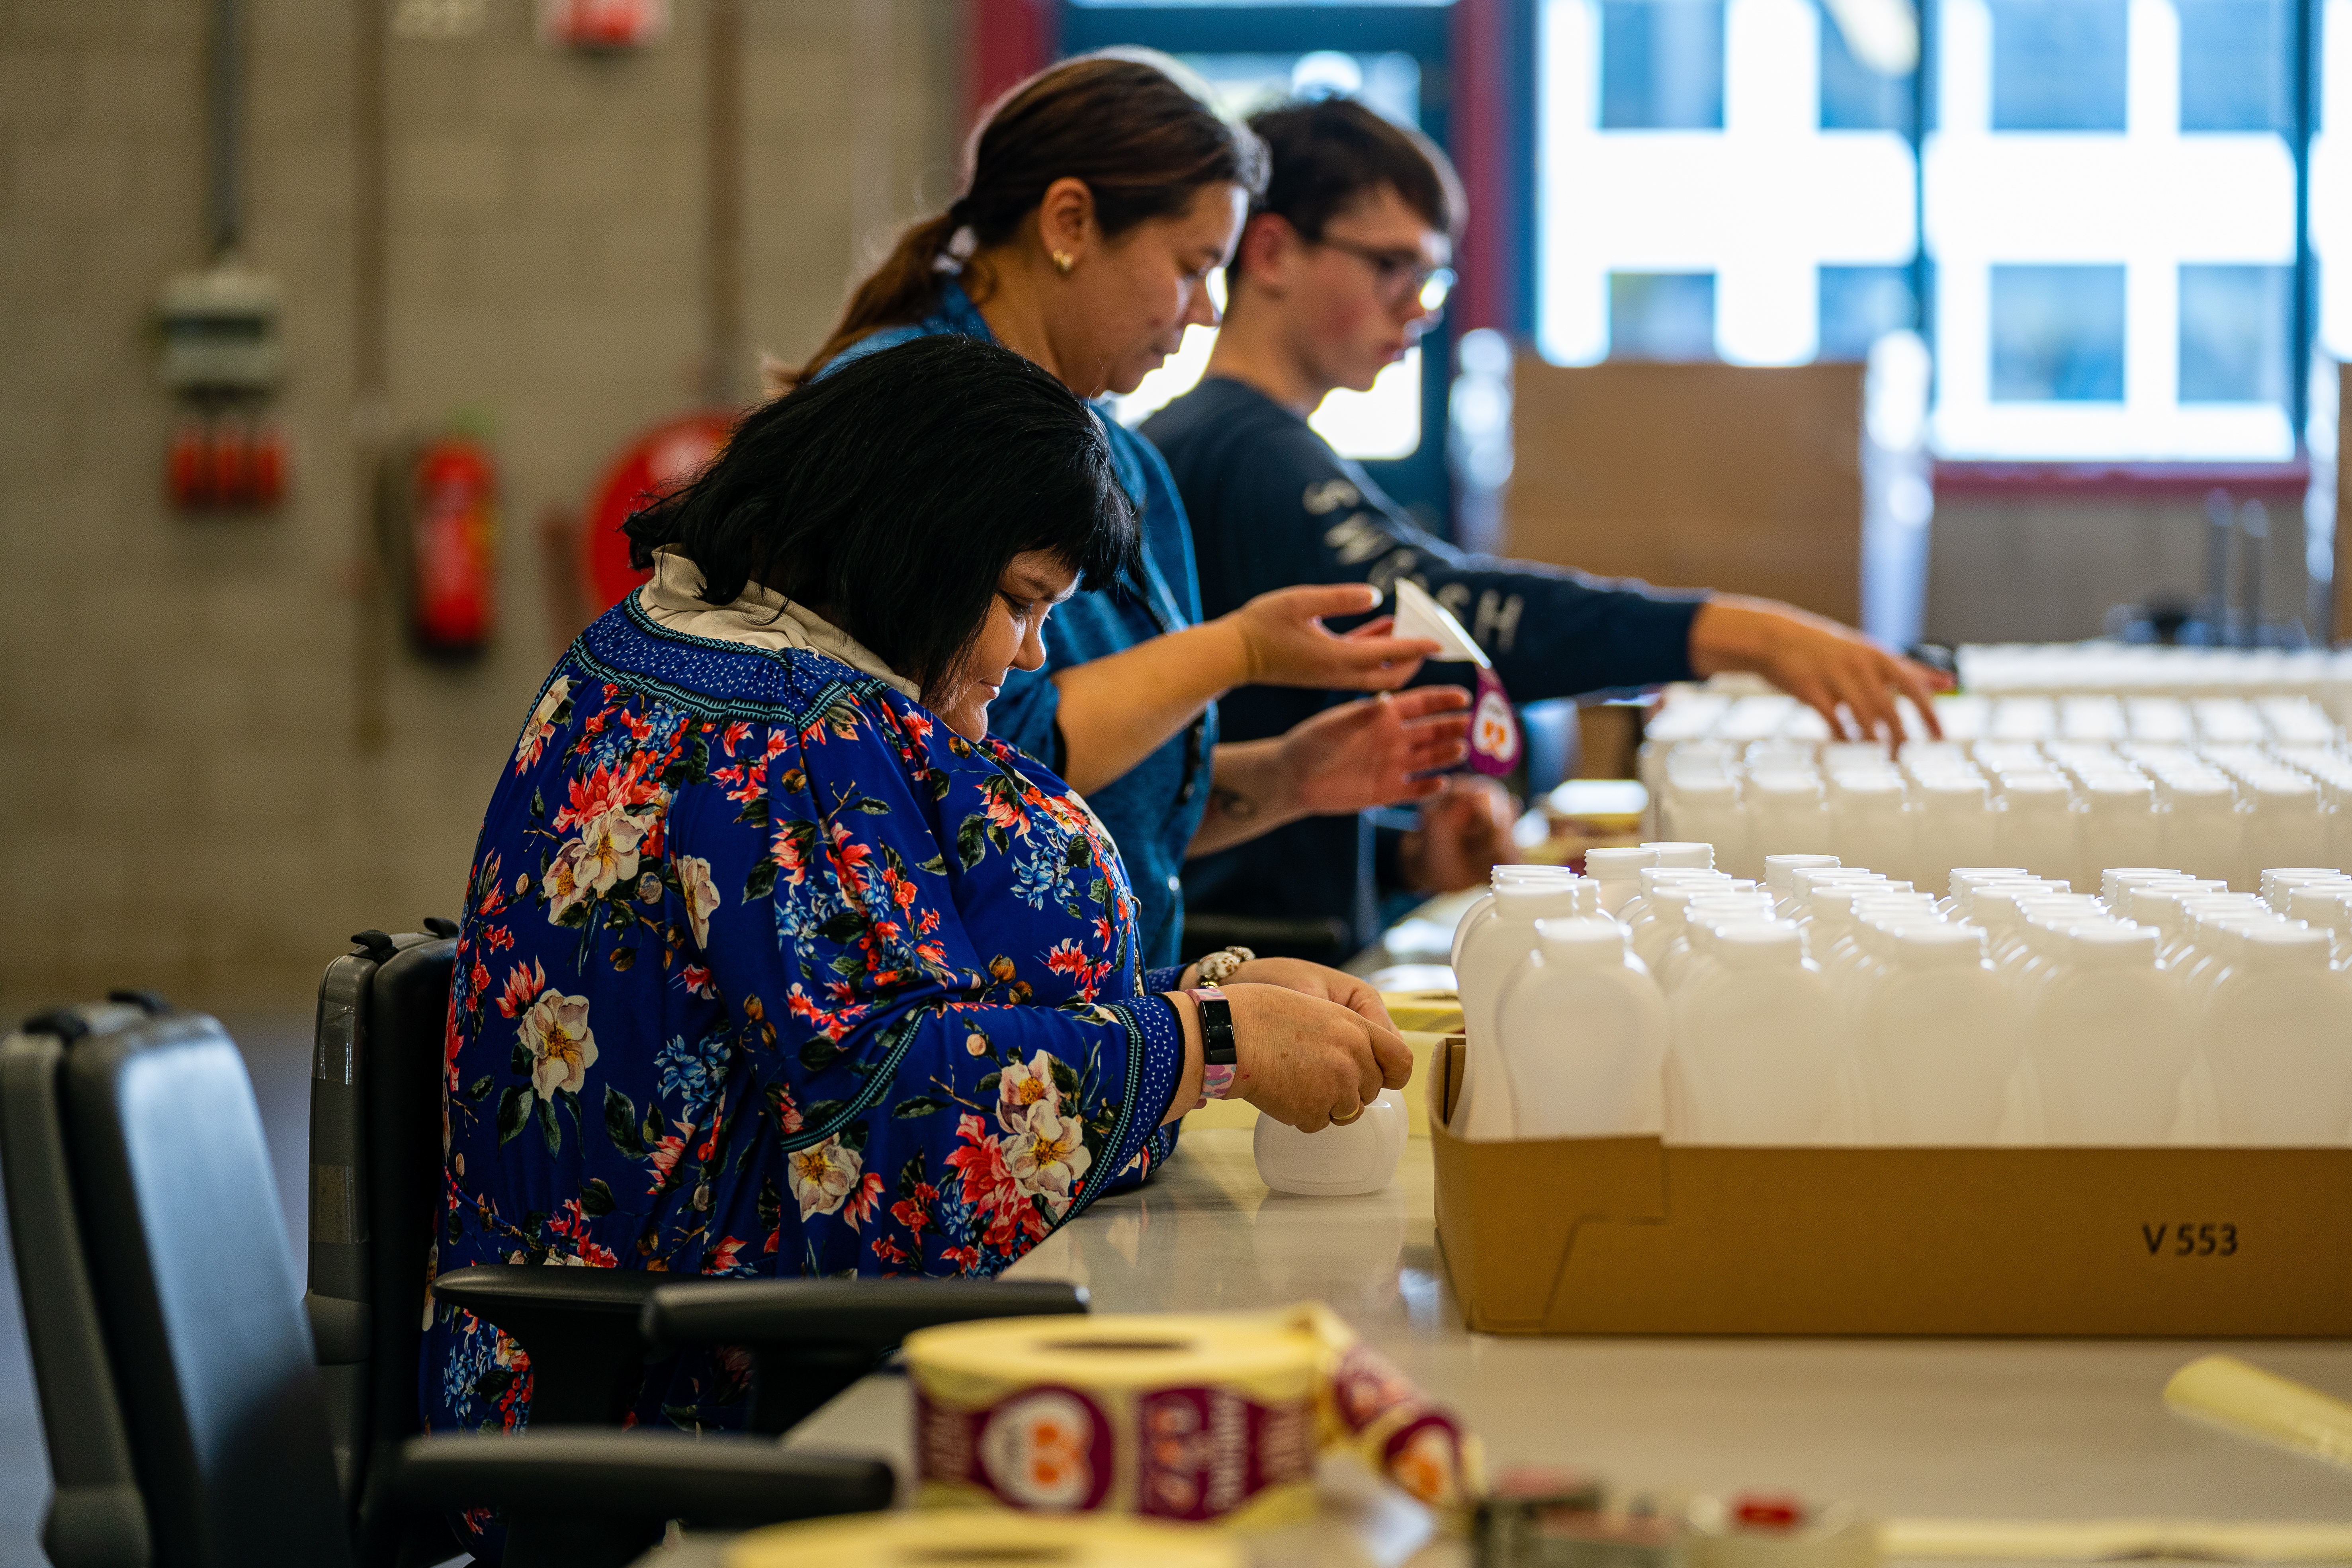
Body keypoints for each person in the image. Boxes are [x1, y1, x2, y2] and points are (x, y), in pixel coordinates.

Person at [423, 338, 1414, 1528]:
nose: (1029, 652)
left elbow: (891, 994)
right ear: (915, 547)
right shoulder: (776, 737)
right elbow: (890, 1143)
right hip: (689, 1399)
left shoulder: (682, 660)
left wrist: (1208, 1008)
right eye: (1019, 602)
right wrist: (1205, 1038)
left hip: (674, 1352)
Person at [1143, 97, 1949, 949]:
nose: (1417, 307)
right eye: (1391, 266)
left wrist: (1407, 859)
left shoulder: (1242, 448)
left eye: (1431, 279)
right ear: (1269, 251)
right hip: (1239, 967)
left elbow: (1241, 764)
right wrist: (1736, 636)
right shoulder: (1243, 454)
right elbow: (1448, 610)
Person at [799, 52, 1474, 972]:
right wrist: (1236, 651)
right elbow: (964, 767)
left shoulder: (1123, 455)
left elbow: (1087, 810)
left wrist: (1285, 779)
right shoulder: (904, 412)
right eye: (1194, 266)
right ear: (1069, 222)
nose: (1204, 312)